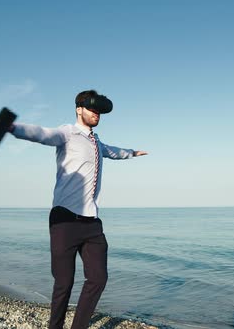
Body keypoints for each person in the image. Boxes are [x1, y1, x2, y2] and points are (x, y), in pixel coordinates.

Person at [8, 89, 147, 329]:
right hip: (64, 220)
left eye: (99, 111)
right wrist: (12, 128)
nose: (96, 114)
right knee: (64, 283)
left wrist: (132, 153)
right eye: (92, 109)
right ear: (79, 109)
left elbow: (112, 151)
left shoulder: (96, 141)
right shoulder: (67, 133)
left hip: (92, 223)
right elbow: (42, 134)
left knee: (98, 278)